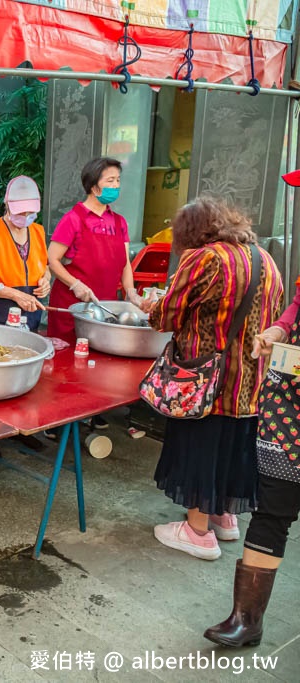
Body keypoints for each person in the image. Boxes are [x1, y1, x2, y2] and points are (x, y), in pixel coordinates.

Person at [143, 197, 282, 561]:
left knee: (201, 446)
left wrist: (152, 306)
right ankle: (225, 517)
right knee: (233, 447)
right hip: (250, 383)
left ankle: (197, 532)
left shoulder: (205, 259)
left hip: (208, 380)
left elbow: (167, 316)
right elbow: (276, 316)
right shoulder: (265, 259)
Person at [204, 171, 300, 647]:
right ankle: (246, 620)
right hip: (288, 410)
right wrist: (278, 331)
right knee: (272, 509)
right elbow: (297, 305)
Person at [47, 157, 145, 342]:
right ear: (93, 186)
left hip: (107, 308)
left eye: (118, 180)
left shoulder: (120, 222)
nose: (116, 185)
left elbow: (125, 264)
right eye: (110, 180)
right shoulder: (72, 219)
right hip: (72, 308)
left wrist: (131, 292)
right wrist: (75, 285)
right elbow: (52, 260)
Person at [0, 176, 49, 331]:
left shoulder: (38, 231)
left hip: (30, 318)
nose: (25, 216)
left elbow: (45, 267)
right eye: (21, 212)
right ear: (7, 205)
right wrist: (15, 295)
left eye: (30, 212)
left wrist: (46, 281)